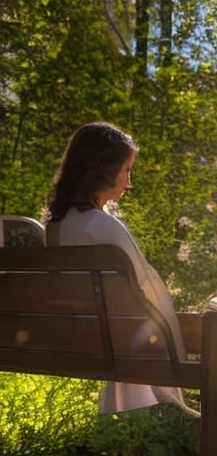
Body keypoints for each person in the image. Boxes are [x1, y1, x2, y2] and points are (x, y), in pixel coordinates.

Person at [44, 122, 199, 418]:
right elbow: (147, 291)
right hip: (123, 342)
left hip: (82, 339)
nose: (129, 183)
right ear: (102, 170)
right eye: (126, 171)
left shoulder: (56, 227)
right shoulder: (104, 227)